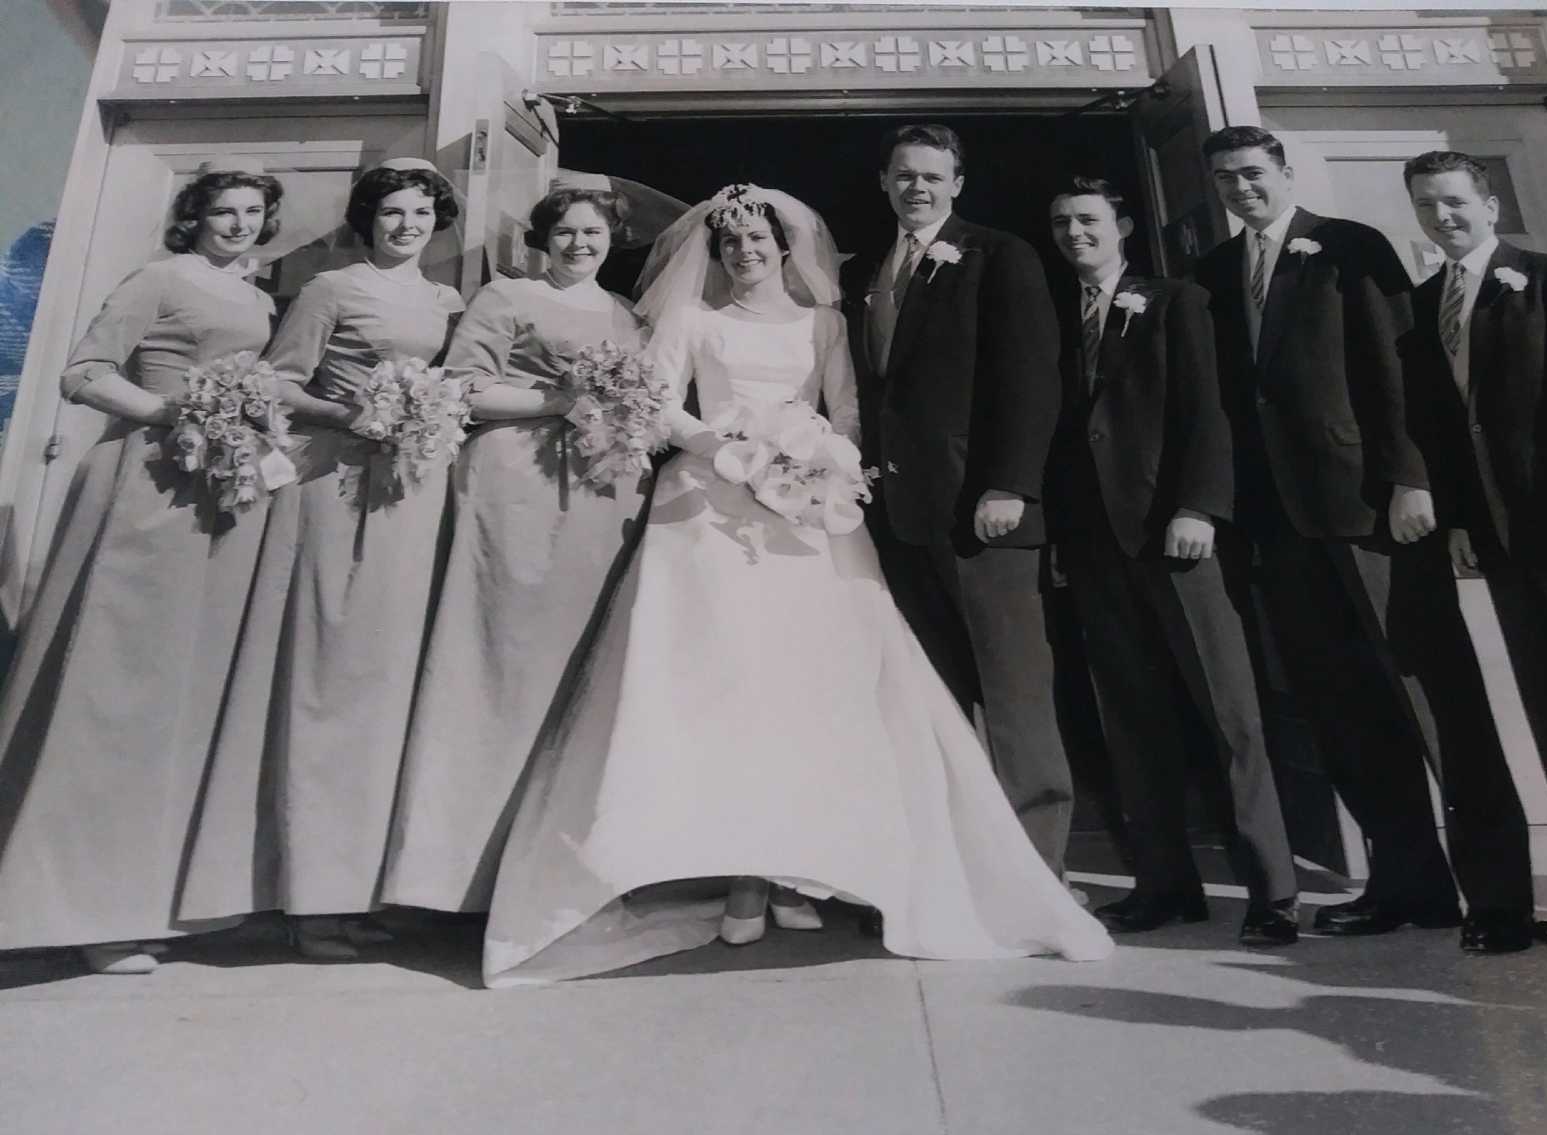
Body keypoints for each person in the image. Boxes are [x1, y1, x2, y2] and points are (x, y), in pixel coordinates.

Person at [476, 184, 1113, 985]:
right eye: (731, 243)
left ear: (786, 248)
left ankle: (804, 865)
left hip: (810, 519)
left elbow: (846, 413)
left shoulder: (826, 324)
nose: (745, 252)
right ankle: (744, 873)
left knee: (817, 692)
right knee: (724, 692)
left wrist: (813, 457)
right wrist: (726, 448)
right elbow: (661, 403)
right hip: (706, 514)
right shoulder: (692, 320)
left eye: (758, 240)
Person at [1194, 126, 1533, 954]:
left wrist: (1412, 478)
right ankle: (1407, 885)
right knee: (1346, 714)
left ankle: (1498, 897)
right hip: (1286, 530)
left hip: (1373, 516)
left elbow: (1396, 368)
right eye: (1226, 180)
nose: (1241, 190)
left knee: (1432, 702)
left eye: (1253, 174)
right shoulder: (1212, 272)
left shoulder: (1348, 247)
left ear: (1285, 172)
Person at [0, 158, 285, 973]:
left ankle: (147, 898)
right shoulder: (158, 279)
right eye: (223, 211)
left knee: (178, 698)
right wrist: (175, 410)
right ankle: (78, 912)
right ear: (193, 216)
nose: (237, 224)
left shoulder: (258, 298)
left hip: (216, 493)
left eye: (252, 212)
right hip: (145, 486)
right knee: (114, 691)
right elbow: (83, 375)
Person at [175, 158, 464, 959]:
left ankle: (360, 888)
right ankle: (308, 901)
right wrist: (355, 413)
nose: (405, 226)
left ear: (437, 223)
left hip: (413, 494)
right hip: (338, 489)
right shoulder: (332, 289)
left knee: (385, 692)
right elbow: (278, 384)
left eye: (419, 214)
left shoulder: (447, 301)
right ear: (367, 219)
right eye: (391, 213)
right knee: (325, 680)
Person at [380, 187, 656, 915]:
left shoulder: (627, 316)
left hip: (601, 493)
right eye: (564, 232)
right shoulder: (508, 296)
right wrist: (555, 403)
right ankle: (459, 880)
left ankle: (560, 877)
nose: (578, 245)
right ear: (543, 238)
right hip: (517, 485)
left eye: (593, 232)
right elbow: (461, 387)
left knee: (581, 669)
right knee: (502, 660)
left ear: (611, 239)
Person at [1045, 178, 1299, 945]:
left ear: (1120, 224)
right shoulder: (1057, 317)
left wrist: (1200, 507)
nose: (1074, 233)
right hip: (1096, 547)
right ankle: (1164, 884)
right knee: (1131, 718)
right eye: (1061, 223)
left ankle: (1273, 892)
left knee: (1230, 718)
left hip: (1175, 535)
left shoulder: (1175, 301)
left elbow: (1206, 410)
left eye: (1087, 219)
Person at [840, 123, 1073, 877]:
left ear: (958, 184)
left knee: (1013, 694)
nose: (918, 188)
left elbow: (1031, 379)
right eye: (905, 175)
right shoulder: (869, 272)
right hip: (901, 518)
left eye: (933, 177)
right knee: (937, 691)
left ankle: (1038, 867)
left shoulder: (1000, 255)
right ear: (884, 181)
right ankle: (964, 854)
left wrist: (1009, 484)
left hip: (984, 514)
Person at [1403, 149, 1547, 948]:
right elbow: (1447, 429)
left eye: (1453, 201)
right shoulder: (1425, 304)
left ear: (1487, 203)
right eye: (1425, 205)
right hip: (1501, 541)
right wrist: (1456, 519)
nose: (1441, 217)